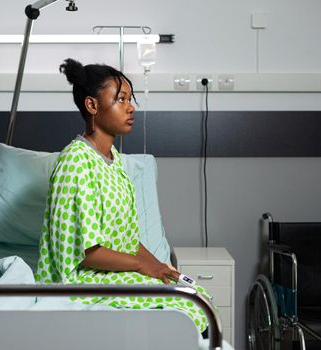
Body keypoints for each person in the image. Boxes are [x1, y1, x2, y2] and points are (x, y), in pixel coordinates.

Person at [35, 58, 211, 333]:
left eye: (130, 99)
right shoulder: (76, 162)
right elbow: (90, 253)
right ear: (92, 105)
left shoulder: (114, 161)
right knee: (186, 311)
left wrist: (160, 266)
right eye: (120, 99)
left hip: (111, 273)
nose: (131, 107)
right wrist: (142, 266)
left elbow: (126, 239)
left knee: (196, 295)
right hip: (80, 282)